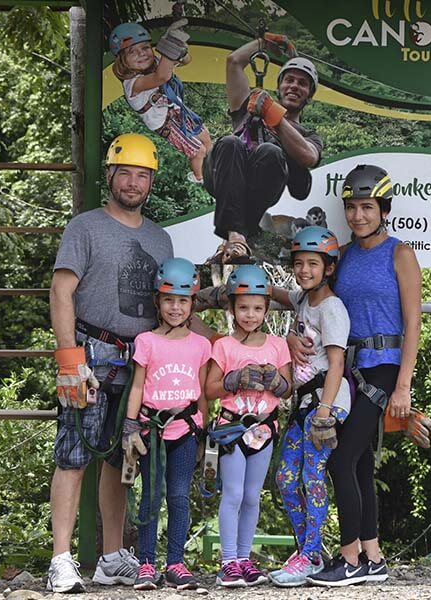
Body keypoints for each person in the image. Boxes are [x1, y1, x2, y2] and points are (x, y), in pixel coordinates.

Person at [47, 132, 173, 593]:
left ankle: (111, 557)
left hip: (138, 359)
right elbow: (62, 291)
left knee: (124, 459)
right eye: (126, 173)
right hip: (91, 351)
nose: (134, 182)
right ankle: (61, 558)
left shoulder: (161, 240)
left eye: (143, 175)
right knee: (74, 453)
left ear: (151, 181)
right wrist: (68, 359)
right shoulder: (85, 227)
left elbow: (171, 306)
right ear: (111, 176)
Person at [295, 165, 422, 587]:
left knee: (341, 460)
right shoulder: (344, 256)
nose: (358, 216)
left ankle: (347, 558)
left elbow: (413, 322)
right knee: (362, 464)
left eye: (366, 207)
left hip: (383, 369)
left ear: (383, 208)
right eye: (351, 207)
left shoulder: (399, 254)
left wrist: (403, 385)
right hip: (349, 370)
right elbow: (314, 297)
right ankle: (372, 555)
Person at [268, 226, 351, 587]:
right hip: (305, 402)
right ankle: (309, 552)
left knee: (311, 475)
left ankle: (311, 553)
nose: (304, 270)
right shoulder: (304, 300)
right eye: (299, 263)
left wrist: (324, 413)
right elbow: (276, 293)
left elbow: (336, 365)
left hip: (327, 403)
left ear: (329, 268)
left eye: (312, 264)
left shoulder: (331, 308)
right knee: (285, 479)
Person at [122, 257, 211, 591]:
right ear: (158, 301)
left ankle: (175, 562)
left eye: (183, 300)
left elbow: (202, 391)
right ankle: (147, 563)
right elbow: (137, 386)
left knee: (178, 497)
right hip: (151, 433)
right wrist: (130, 426)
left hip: (185, 432)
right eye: (169, 300)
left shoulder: (201, 345)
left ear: (192, 303)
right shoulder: (146, 341)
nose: (176, 307)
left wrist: (203, 431)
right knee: (150, 498)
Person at [204, 265, 292, 587]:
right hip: (231, 430)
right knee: (234, 494)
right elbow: (210, 389)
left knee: (253, 495)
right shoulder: (224, 346)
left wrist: (276, 381)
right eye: (243, 307)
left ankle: (244, 558)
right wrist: (232, 380)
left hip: (264, 430)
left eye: (257, 308)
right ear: (232, 308)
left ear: (267, 309)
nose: (250, 315)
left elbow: (289, 387)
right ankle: (228, 561)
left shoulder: (277, 345)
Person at [203, 33, 323, 263]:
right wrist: (264, 44)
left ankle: (237, 235)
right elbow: (234, 62)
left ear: (309, 95)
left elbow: (308, 156)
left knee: (271, 151)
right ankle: (236, 234)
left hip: (260, 188)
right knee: (230, 142)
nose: (294, 86)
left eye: (302, 83)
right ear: (279, 85)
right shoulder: (248, 106)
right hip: (225, 172)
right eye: (289, 80)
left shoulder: (308, 135)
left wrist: (274, 117)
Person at [109, 20, 212, 183]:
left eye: (145, 48)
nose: (141, 54)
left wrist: (177, 46)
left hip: (176, 110)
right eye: (132, 52)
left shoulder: (156, 63)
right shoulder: (133, 85)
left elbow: (186, 61)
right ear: (122, 60)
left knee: (205, 136)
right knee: (197, 150)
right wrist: (170, 44)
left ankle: (215, 167)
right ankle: (203, 179)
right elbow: (162, 77)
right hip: (164, 123)